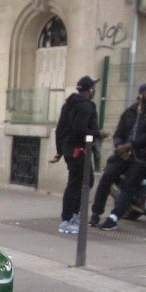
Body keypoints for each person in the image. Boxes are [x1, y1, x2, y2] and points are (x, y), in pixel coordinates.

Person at [49, 75, 108, 234]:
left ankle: (73, 215)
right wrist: (98, 133)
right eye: (93, 87)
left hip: (71, 150)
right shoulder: (86, 107)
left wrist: (60, 151)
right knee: (79, 184)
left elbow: (60, 129)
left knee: (84, 181)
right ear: (90, 90)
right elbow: (80, 129)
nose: (95, 90)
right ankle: (69, 218)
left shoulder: (68, 105)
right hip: (79, 151)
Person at [90, 83, 146, 227]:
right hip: (123, 154)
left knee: (130, 184)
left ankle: (114, 218)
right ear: (141, 95)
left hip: (142, 156)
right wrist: (119, 147)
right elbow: (118, 133)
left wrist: (129, 146)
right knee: (107, 177)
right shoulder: (130, 111)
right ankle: (96, 213)